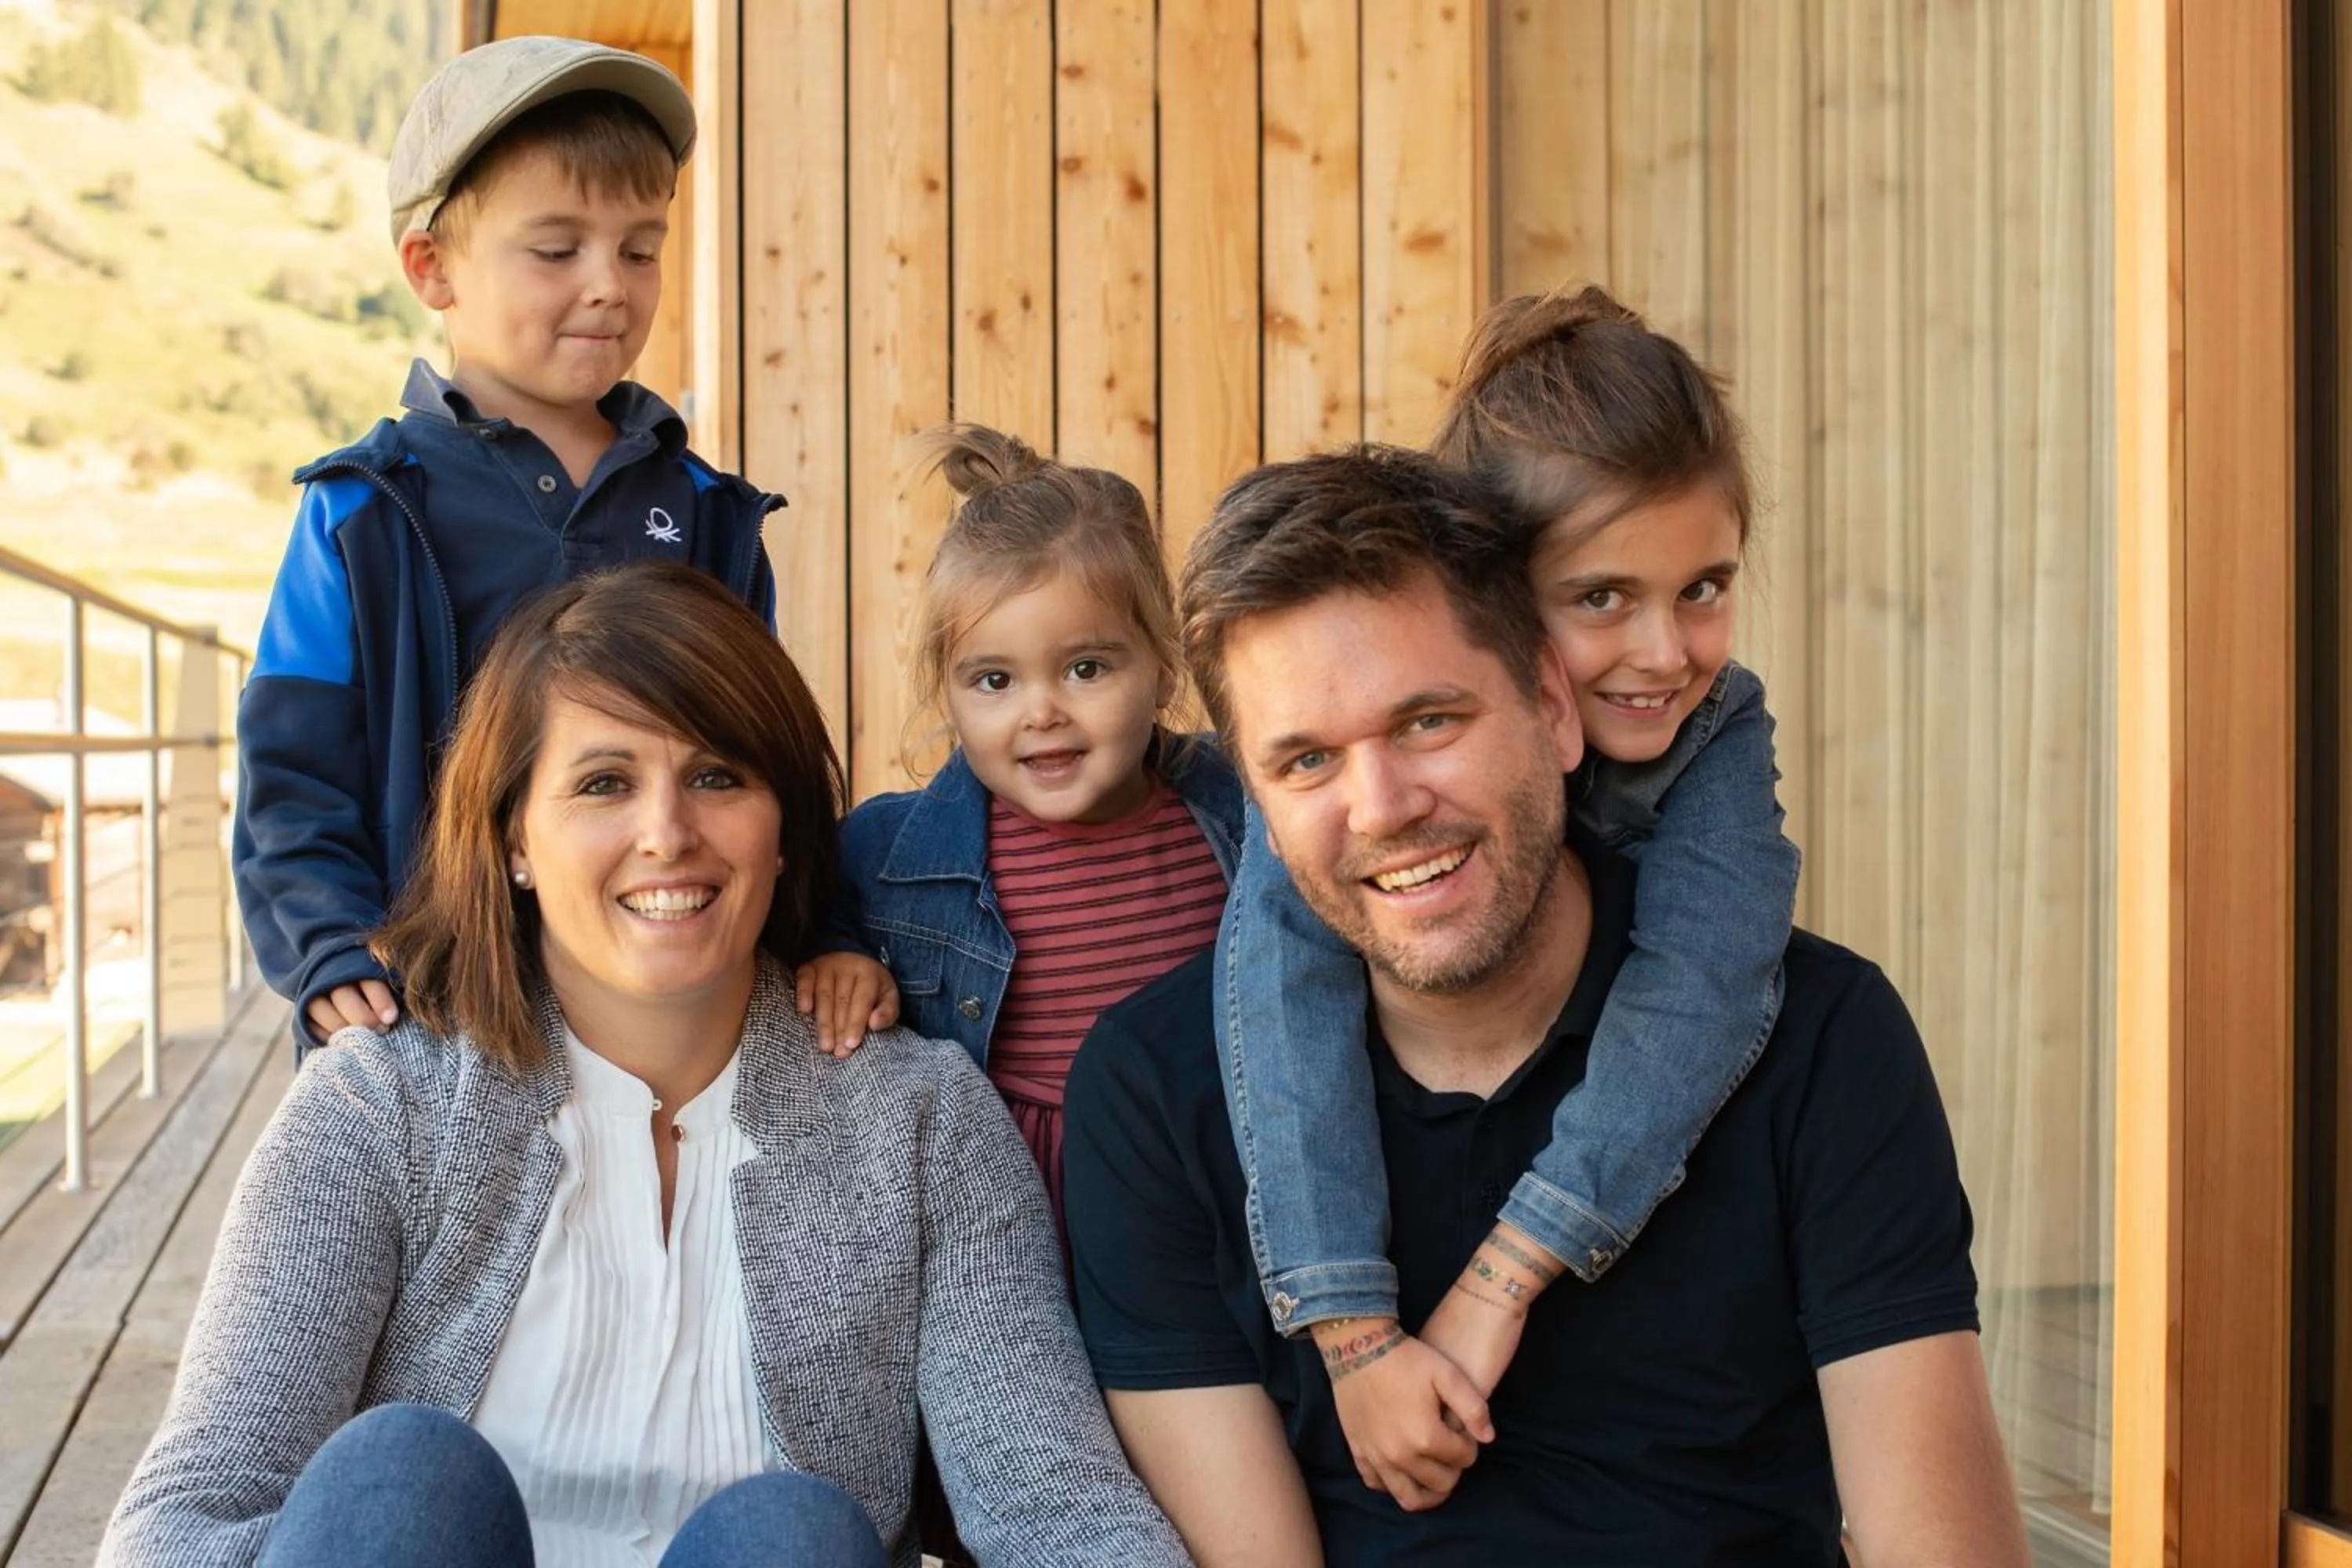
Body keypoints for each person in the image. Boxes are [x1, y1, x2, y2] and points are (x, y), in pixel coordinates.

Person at [105, 563, 1192, 1568]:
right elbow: (194, 1509)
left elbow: (1053, 1504)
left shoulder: (919, 1120)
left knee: (794, 1534)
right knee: (401, 1479)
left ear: (782, 826)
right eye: (604, 784)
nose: (668, 833)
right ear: (517, 837)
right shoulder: (381, 1101)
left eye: (718, 775)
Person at [1062, 448, 2029, 1565]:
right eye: (1309, 760)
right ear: (1259, 804)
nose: (1381, 809)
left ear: (1555, 710)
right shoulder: (1155, 1090)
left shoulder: (1821, 1038)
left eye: (1429, 721)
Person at [1213, 286, 1801, 1500]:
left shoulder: (1716, 725)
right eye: (1602, 598)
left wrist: (1504, 1278)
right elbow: (1284, 1027)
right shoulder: (1370, 799)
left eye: (1703, 586)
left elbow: (1705, 984)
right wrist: (1354, 1335)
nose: (1665, 652)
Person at [232, 37, 787, 1051]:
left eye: (640, 247)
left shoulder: (711, 513)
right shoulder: (359, 515)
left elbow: (765, 764)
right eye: (556, 248)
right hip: (434, 1007)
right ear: (431, 267)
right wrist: (332, 947)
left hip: (668, 1001)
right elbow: (294, 773)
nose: (610, 286)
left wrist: (819, 935)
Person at [805, 423, 1241, 1219]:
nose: (1041, 711)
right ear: (949, 690)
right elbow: (802, 901)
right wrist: (838, 951)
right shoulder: (891, 849)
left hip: (1202, 1194)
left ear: (1163, 663)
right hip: (1011, 1213)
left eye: (1086, 668)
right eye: (994, 679)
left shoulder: (1236, 809)